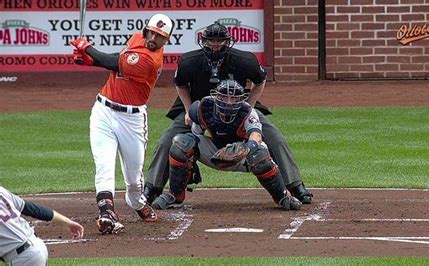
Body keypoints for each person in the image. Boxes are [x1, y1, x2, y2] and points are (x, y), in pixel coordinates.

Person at [144, 21, 313, 208]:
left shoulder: (244, 60)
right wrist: (188, 108)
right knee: (169, 140)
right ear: (204, 41)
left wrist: (248, 107)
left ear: (228, 41)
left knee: (275, 138)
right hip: (200, 109)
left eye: (220, 41)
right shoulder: (189, 61)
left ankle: (295, 186)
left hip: (237, 106)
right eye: (211, 41)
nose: (215, 45)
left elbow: (260, 80)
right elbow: (180, 84)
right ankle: (152, 188)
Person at [69, 13, 174, 234]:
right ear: (146, 30)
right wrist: (89, 60)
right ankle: (106, 212)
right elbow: (117, 59)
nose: (154, 38)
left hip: (132, 120)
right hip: (103, 112)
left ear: (167, 40)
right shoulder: (136, 39)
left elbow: (113, 62)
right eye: (152, 32)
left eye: (161, 36)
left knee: (134, 178)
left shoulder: (150, 60)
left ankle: (136, 202)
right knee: (104, 164)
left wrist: (86, 47)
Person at [153, 78, 302, 211]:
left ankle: (283, 196)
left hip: (243, 155)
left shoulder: (248, 112)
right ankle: (175, 195)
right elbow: (196, 136)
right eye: (225, 96)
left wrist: (245, 148)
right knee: (182, 143)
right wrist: (190, 161)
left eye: (234, 98)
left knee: (260, 155)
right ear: (216, 96)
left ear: (241, 99)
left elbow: (256, 136)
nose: (229, 101)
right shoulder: (202, 108)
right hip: (215, 153)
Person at [0, 186, 84, 265]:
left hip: (23, 258)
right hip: (37, 245)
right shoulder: (1, 191)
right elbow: (31, 209)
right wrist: (67, 222)